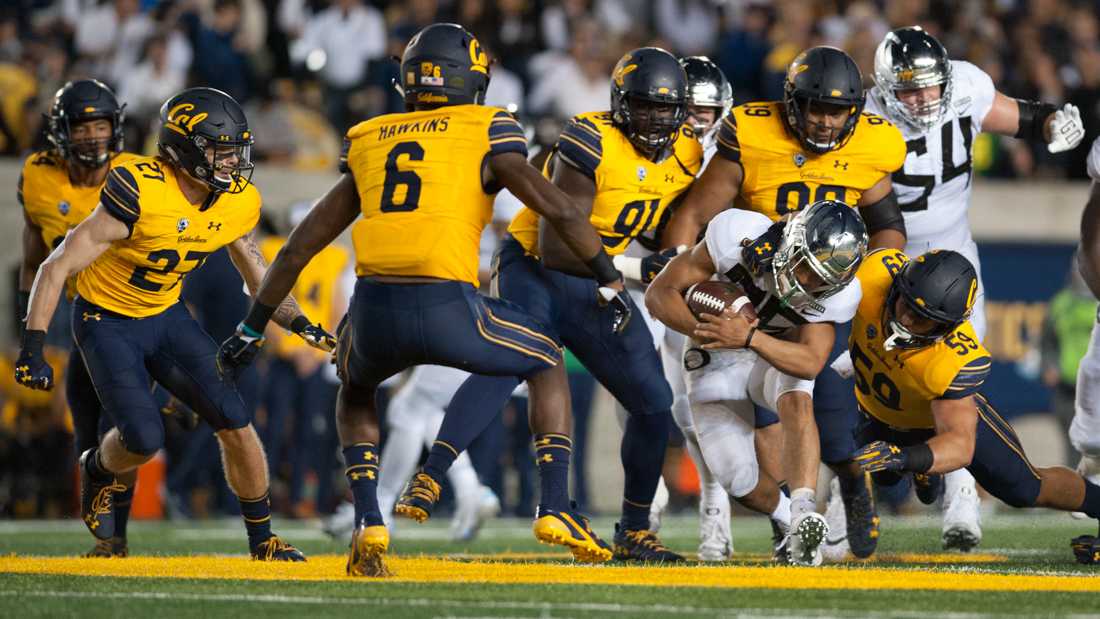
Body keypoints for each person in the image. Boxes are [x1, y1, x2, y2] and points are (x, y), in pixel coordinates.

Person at [216, 23, 629, 577]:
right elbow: (561, 210)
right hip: (447, 306)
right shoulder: (488, 126)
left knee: (356, 389)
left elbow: (297, 248)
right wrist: (608, 275)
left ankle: (369, 518)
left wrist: (251, 327)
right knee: (545, 355)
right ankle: (555, 505)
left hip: (374, 311)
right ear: (472, 81)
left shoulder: (370, 135)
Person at [398, 46, 703, 563]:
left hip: (601, 278)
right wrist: (635, 271)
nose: (653, 117)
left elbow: (669, 232)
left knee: (653, 404)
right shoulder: (591, 136)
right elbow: (561, 244)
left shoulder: (689, 153)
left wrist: (668, 263)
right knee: (518, 356)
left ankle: (632, 531)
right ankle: (432, 475)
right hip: (537, 264)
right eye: (643, 105)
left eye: (663, 107)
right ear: (618, 103)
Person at [15, 86, 333, 562]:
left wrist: (300, 322)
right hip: (108, 320)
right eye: (218, 151)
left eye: (234, 151)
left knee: (236, 419)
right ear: (183, 149)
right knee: (143, 439)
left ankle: (262, 538)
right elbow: (54, 266)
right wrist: (33, 346)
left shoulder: (235, 201)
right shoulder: (140, 186)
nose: (230, 163)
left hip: (166, 314)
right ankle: (98, 467)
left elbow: (260, 278)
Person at [662, 45, 908, 561]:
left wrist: (853, 280)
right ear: (792, 104)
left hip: (806, 303)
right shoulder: (739, 229)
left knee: (818, 407)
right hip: (746, 287)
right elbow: (692, 223)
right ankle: (782, 513)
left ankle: (817, 508)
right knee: (738, 470)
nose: (822, 122)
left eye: (835, 111)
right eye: (814, 108)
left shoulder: (872, 155)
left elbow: (890, 229)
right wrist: (706, 314)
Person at [859, 25, 1086, 553]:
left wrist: (1054, 120)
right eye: (910, 89)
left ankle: (961, 494)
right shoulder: (865, 118)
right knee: (860, 373)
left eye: (930, 86)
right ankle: (854, 493)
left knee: (960, 384)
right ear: (886, 87)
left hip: (952, 260)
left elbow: (1022, 118)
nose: (922, 98)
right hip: (882, 261)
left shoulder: (963, 84)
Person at [647, 199, 868, 565]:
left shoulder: (840, 297)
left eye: (822, 281)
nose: (809, 283)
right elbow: (659, 294)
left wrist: (750, 338)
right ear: (793, 243)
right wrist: (709, 330)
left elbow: (811, 362)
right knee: (739, 482)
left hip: (770, 353)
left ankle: (802, 512)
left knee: (798, 394)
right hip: (713, 351)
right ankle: (787, 521)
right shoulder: (737, 236)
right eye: (806, 268)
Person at [849, 249, 1100, 565]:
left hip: (931, 419)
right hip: (877, 410)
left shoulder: (952, 360)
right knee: (884, 477)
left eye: (923, 319)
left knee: (1024, 488)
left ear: (945, 328)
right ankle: (924, 471)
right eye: (906, 305)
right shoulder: (872, 277)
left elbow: (959, 445)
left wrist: (906, 457)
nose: (906, 320)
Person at [18, 79, 139, 558]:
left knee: (122, 424)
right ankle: (108, 534)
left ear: (116, 128)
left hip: (133, 311)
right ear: (61, 131)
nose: (92, 136)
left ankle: (117, 535)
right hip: (76, 312)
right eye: (82, 126)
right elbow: (32, 259)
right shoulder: (38, 174)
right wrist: (29, 334)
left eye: (100, 125)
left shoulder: (136, 172)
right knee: (85, 423)